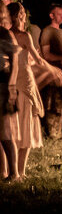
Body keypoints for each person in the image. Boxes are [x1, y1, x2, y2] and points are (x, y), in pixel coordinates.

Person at [8, 3, 48, 176]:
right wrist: (54, 71)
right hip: (24, 85)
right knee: (25, 129)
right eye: (23, 13)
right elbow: (38, 60)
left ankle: (11, 170)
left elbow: (24, 59)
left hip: (12, 84)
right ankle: (20, 172)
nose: (25, 15)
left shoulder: (6, 36)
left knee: (13, 129)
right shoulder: (24, 36)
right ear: (18, 16)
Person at [39, 3, 62, 139]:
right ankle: (52, 135)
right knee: (53, 107)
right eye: (59, 14)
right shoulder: (47, 32)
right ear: (51, 15)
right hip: (53, 76)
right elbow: (46, 54)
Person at [1, 27, 23, 179]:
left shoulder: (3, 33)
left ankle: (14, 173)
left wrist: (11, 87)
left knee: (5, 131)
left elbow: (14, 59)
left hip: (2, 84)